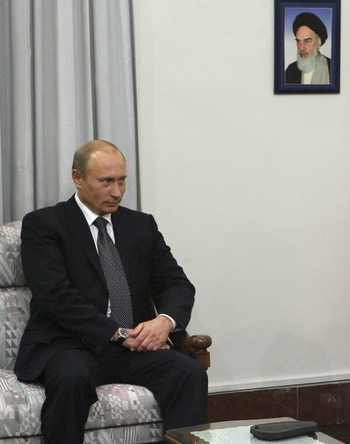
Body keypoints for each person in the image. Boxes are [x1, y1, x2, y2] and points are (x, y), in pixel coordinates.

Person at [14, 140, 208, 443]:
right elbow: (55, 296)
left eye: (122, 180)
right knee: (71, 379)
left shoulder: (140, 225)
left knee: (188, 373)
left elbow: (176, 283)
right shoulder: (45, 224)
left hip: (131, 348)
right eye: (106, 182)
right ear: (78, 178)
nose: (117, 191)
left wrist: (165, 322)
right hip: (70, 345)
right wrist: (118, 333)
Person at [285, 12, 331, 85]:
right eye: (298, 41)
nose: (301, 48)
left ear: (318, 42)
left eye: (307, 41)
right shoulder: (291, 70)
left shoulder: (332, 67)